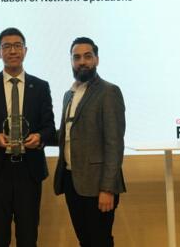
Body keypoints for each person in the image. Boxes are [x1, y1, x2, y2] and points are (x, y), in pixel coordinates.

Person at [0, 27, 55, 247]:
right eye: (6, 46)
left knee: (28, 236)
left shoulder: (41, 86)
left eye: (17, 46)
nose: (13, 51)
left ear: (25, 50)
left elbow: (49, 127)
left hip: (29, 171)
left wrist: (39, 137)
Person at [52, 37, 126, 247]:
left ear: (97, 59)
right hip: (72, 181)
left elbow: (114, 144)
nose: (82, 62)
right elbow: (68, 133)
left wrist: (107, 189)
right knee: (85, 241)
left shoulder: (109, 92)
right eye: (76, 57)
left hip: (97, 185)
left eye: (87, 56)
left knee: (100, 241)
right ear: (71, 61)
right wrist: (39, 136)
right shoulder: (69, 94)